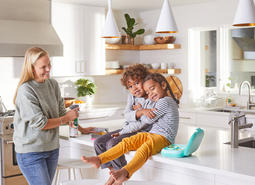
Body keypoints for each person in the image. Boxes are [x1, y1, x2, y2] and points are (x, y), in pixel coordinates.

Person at [81, 73, 179, 185]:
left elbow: (148, 120)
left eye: (152, 89)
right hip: (153, 134)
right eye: (148, 92)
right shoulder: (158, 101)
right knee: (127, 142)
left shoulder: (165, 101)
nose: (151, 94)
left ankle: (125, 172)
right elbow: (132, 115)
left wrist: (140, 110)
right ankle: (100, 159)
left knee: (144, 149)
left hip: (164, 138)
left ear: (163, 85)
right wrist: (142, 111)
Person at [13, 47, 79, 185]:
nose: (48, 69)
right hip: (31, 153)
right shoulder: (26, 90)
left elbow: (61, 112)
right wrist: (67, 118)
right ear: (32, 68)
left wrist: (81, 127)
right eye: (43, 67)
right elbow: (41, 123)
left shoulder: (53, 84)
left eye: (49, 64)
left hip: (52, 149)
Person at [93, 64, 155, 185]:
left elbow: (143, 123)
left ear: (146, 81)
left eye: (137, 83)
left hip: (140, 132)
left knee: (112, 144)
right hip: (127, 128)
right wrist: (138, 112)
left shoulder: (151, 97)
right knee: (99, 142)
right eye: (130, 86)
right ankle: (115, 174)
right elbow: (126, 115)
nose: (134, 88)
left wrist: (137, 112)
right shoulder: (132, 96)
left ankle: (121, 175)